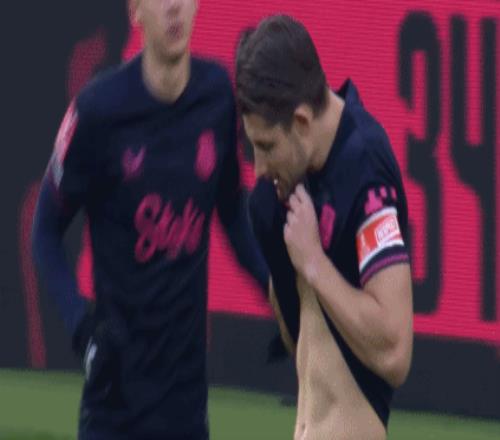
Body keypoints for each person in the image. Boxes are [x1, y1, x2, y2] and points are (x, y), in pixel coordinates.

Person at [32, 0, 268, 438]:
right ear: (135, 11)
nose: (174, 7)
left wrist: (277, 294)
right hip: (114, 403)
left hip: (186, 403)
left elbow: (233, 211)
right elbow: (45, 232)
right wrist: (82, 329)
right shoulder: (97, 110)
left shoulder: (218, 95)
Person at [236, 15, 413, 440]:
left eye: (267, 147)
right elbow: (301, 340)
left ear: (301, 122)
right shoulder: (285, 192)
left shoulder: (365, 169)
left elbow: (395, 352)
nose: (258, 168)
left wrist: (314, 264)